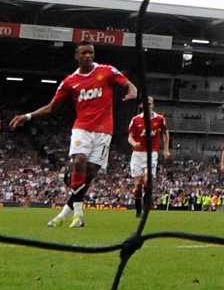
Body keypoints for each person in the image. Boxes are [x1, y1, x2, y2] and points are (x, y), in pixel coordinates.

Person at [9, 42, 137, 228]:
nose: (88, 55)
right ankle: (78, 214)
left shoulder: (106, 71)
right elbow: (52, 107)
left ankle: (64, 214)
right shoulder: (70, 82)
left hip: (104, 131)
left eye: (91, 52)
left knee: (91, 173)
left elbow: (128, 84)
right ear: (76, 56)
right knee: (78, 161)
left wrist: (132, 91)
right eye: (83, 52)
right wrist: (28, 116)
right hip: (82, 128)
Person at [128, 96, 170, 218]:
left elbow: (165, 133)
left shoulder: (159, 119)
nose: (148, 106)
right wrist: (134, 143)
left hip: (151, 153)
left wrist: (166, 149)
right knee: (138, 183)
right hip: (137, 154)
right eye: (145, 104)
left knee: (148, 181)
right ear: (141, 106)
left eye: (150, 103)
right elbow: (130, 137)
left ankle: (146, 208)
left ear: (153, 105)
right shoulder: (135, 120)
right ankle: (138, 211)